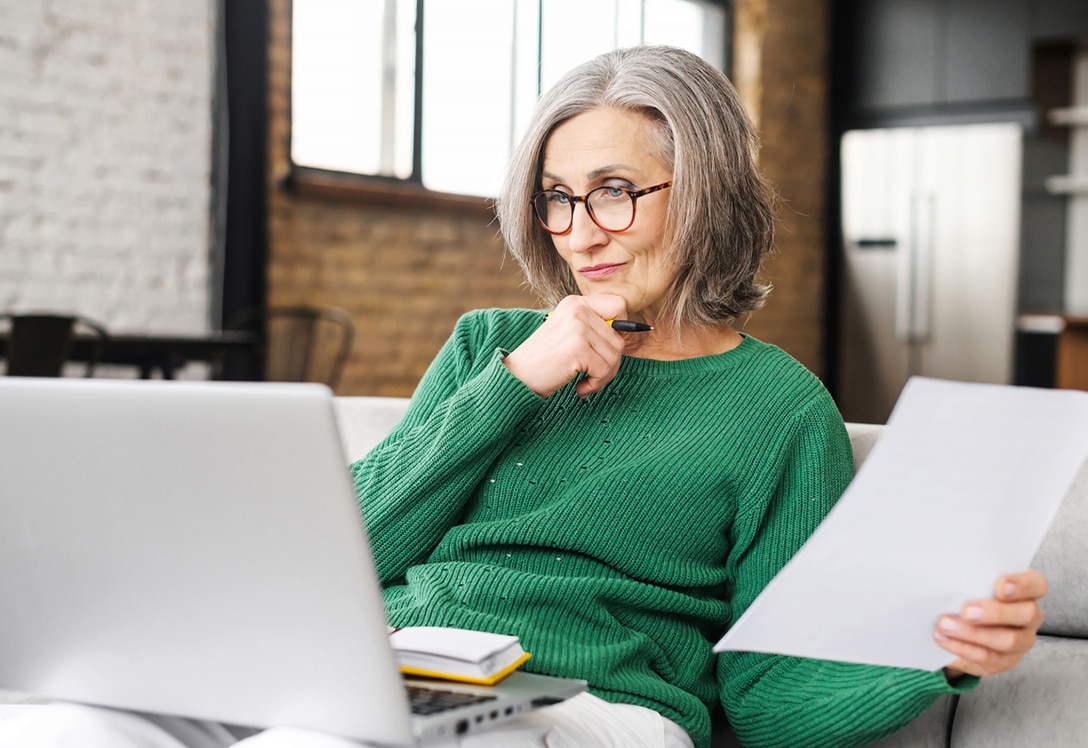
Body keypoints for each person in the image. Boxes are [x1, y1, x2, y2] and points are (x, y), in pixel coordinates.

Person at [0, 45, 1046, 748]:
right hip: (383, 674)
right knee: (56, 720)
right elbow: (343, 549)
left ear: (708, 191)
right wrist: (511, 386)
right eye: (556, 197)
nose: (579, 229)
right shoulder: (491, 349)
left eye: (613, 191)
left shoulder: (777, 409)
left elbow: (764, 694)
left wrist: (932, 653)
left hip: (589, 710)